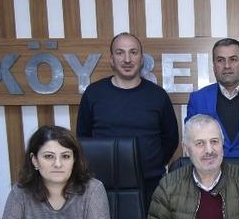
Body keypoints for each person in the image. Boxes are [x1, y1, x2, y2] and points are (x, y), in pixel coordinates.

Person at [76, 32, 179, 208]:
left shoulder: (158, 95)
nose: (127, 59)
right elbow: (83, 138)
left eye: (133, 52)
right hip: (103, 185)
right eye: (120, 52)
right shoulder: (93, 93)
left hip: (151, 185)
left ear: (141, 58)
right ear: (111, 59)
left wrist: (152, 163)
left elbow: (170, 138)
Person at [0, 125, 110, 219]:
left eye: (65, 156)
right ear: (34, 160)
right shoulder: (21, 192)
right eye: (49, 156)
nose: (58, 164)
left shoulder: (93, 189)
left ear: (74, 160)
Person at [186, 38, 239, 173]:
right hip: (211, 179)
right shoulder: (198, 99)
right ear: (214, 66)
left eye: (233, 59)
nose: (227, 66)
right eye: (220, 60)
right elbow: (192, 144)